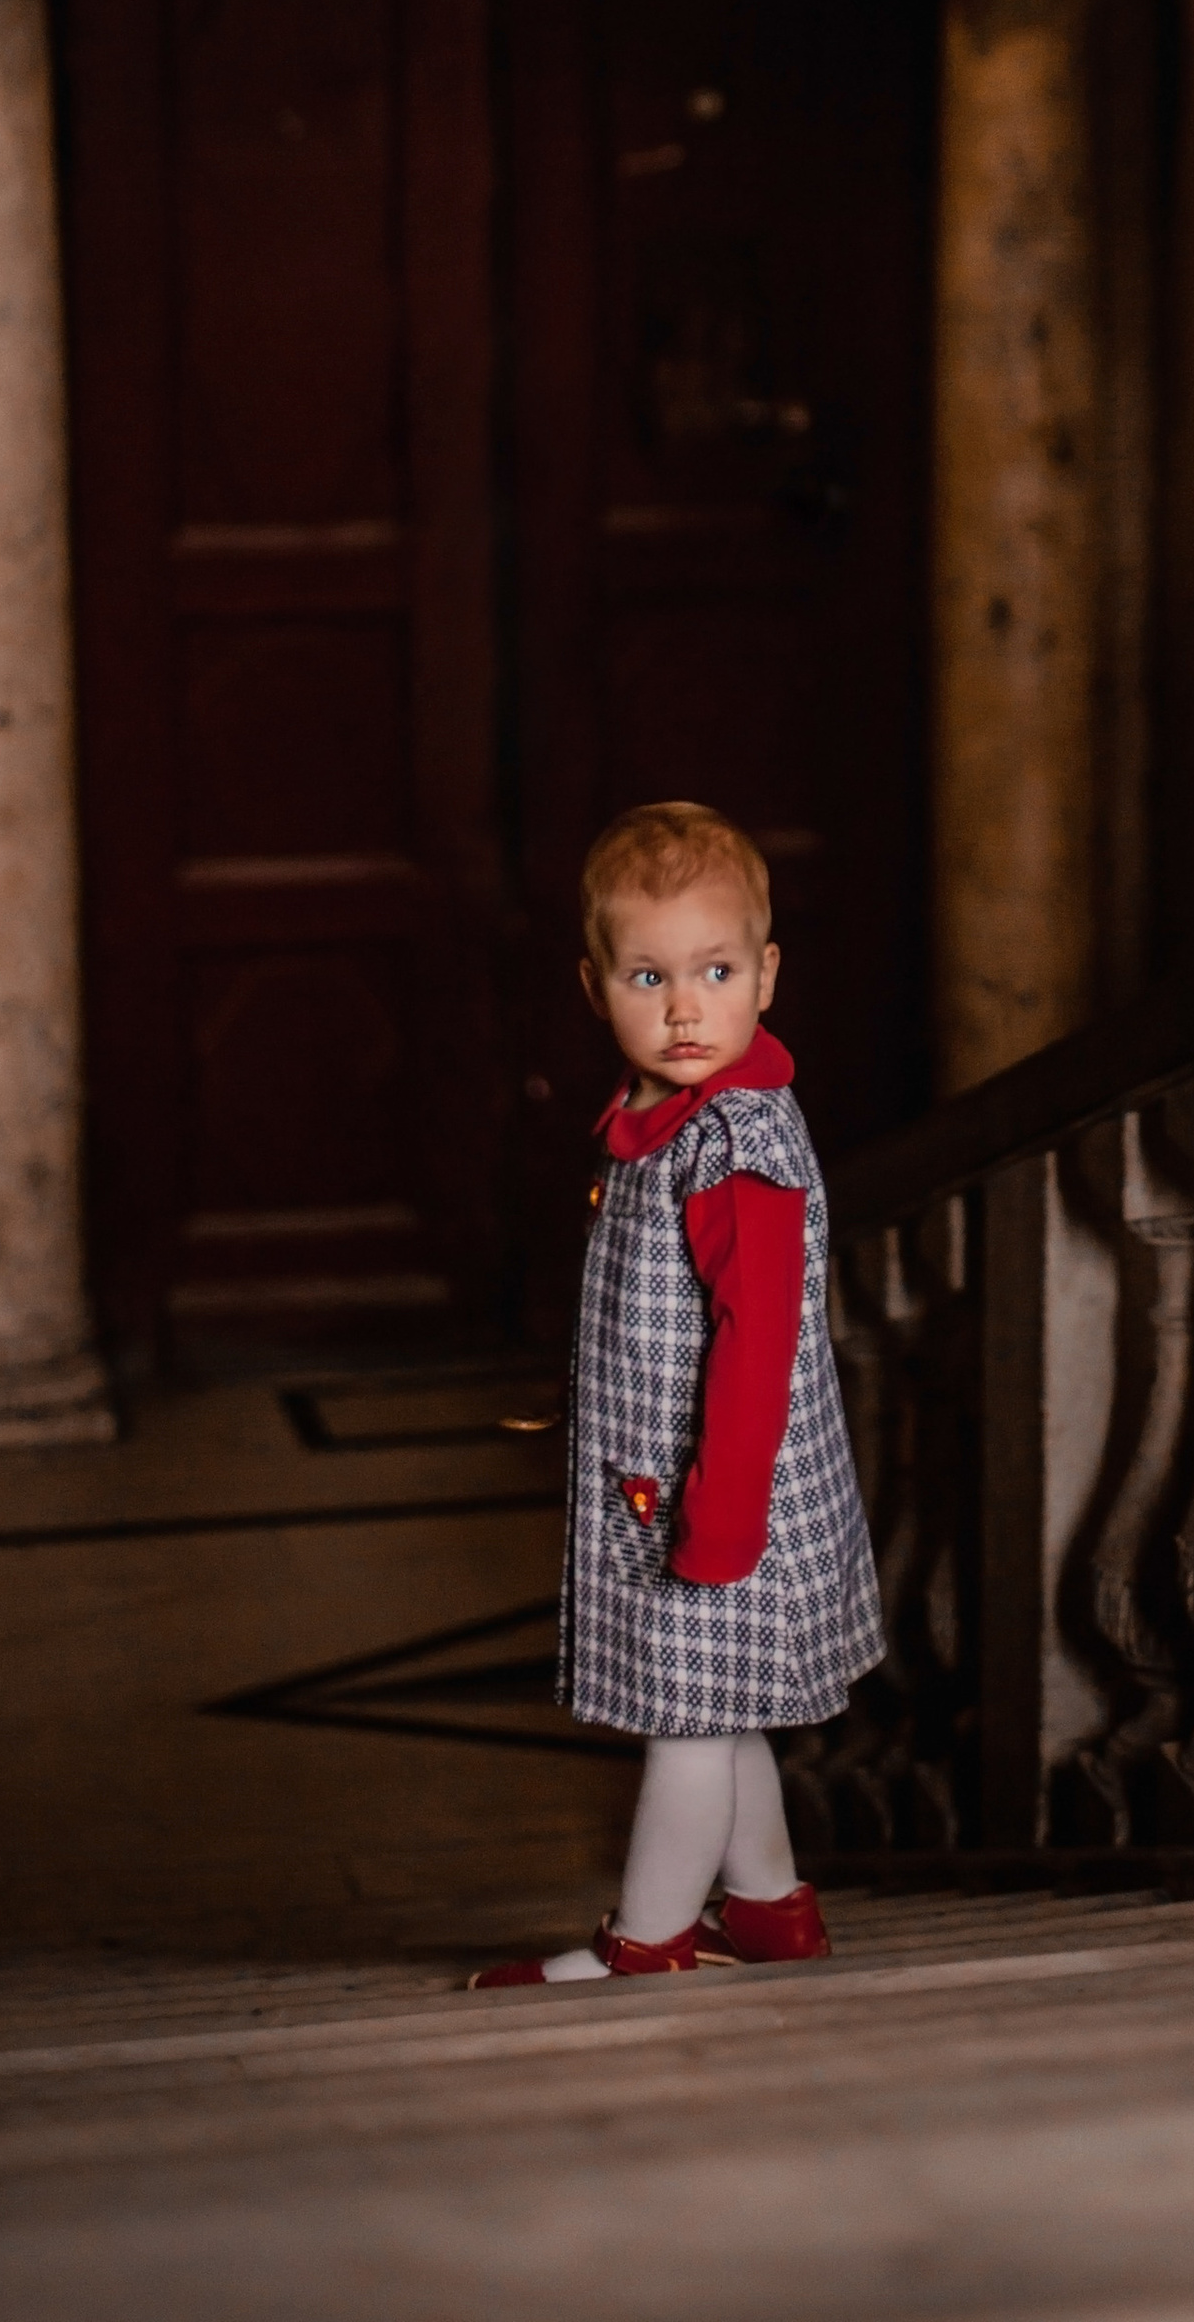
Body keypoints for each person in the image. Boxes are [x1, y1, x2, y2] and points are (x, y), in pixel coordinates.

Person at [469, 799, 883, 1987]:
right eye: (650, 975)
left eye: (714, 970)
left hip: (721, 1501)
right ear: (595, 986)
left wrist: (723, 1521)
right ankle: (767, 1909)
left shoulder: (738, 1146)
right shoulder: (651, 1115)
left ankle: (643, 1946)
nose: (685, 1007)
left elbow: (756, 1350)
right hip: (663, 1491)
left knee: (686, 1727)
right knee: (718, 1704)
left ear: (766, 974)